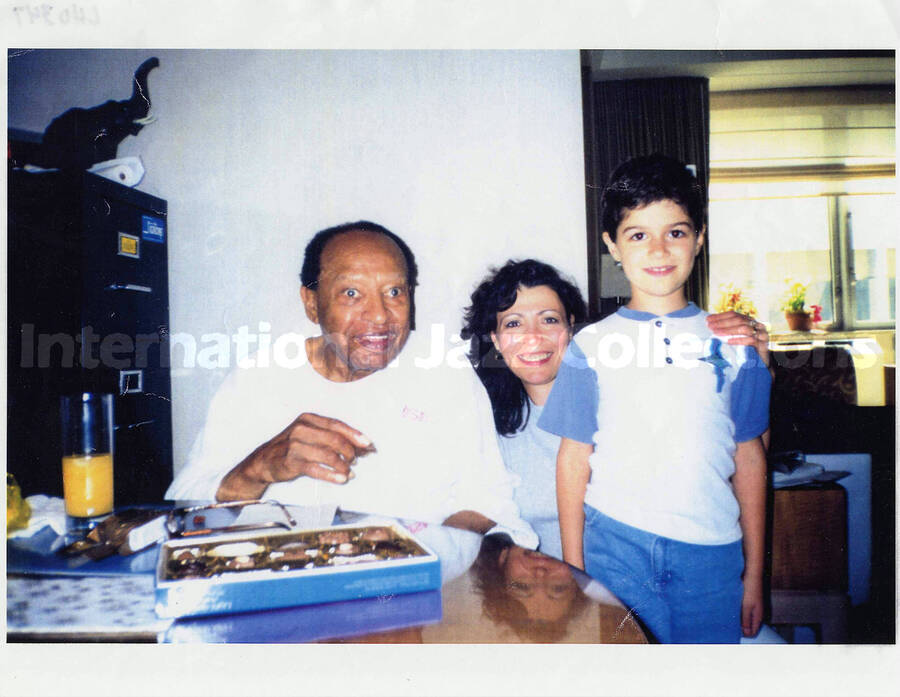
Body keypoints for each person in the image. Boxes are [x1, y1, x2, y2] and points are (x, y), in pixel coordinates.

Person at [166, 221, 537, 547]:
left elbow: (488, 498)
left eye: (395, 292)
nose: (379, 316)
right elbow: (183, 505)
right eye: (351, 294)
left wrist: (421, 557)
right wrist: (258, 469)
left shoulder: (442, 371)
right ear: (311, 303)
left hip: (413, 590)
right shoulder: (259, 379)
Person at [539, 154, 771, 643]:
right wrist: (574, 570)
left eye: (677, 232)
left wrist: (754, 575)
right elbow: (572, 461)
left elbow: (751, 457)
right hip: (615, 550)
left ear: (700, 238)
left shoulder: (737, 344)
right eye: (638, 234)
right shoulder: (589, 346)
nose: (659, 248)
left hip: (711, 553)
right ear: (613, 246)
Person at [460, 259, 768, 561]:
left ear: (571, 327)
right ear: (497, 341)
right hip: (546, 596)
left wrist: (759, 369)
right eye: (514, 323)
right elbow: (481, 509)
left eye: (549, 319)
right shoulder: (490, 425)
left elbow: (743, 458)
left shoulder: (626, 399)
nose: (533, 336)